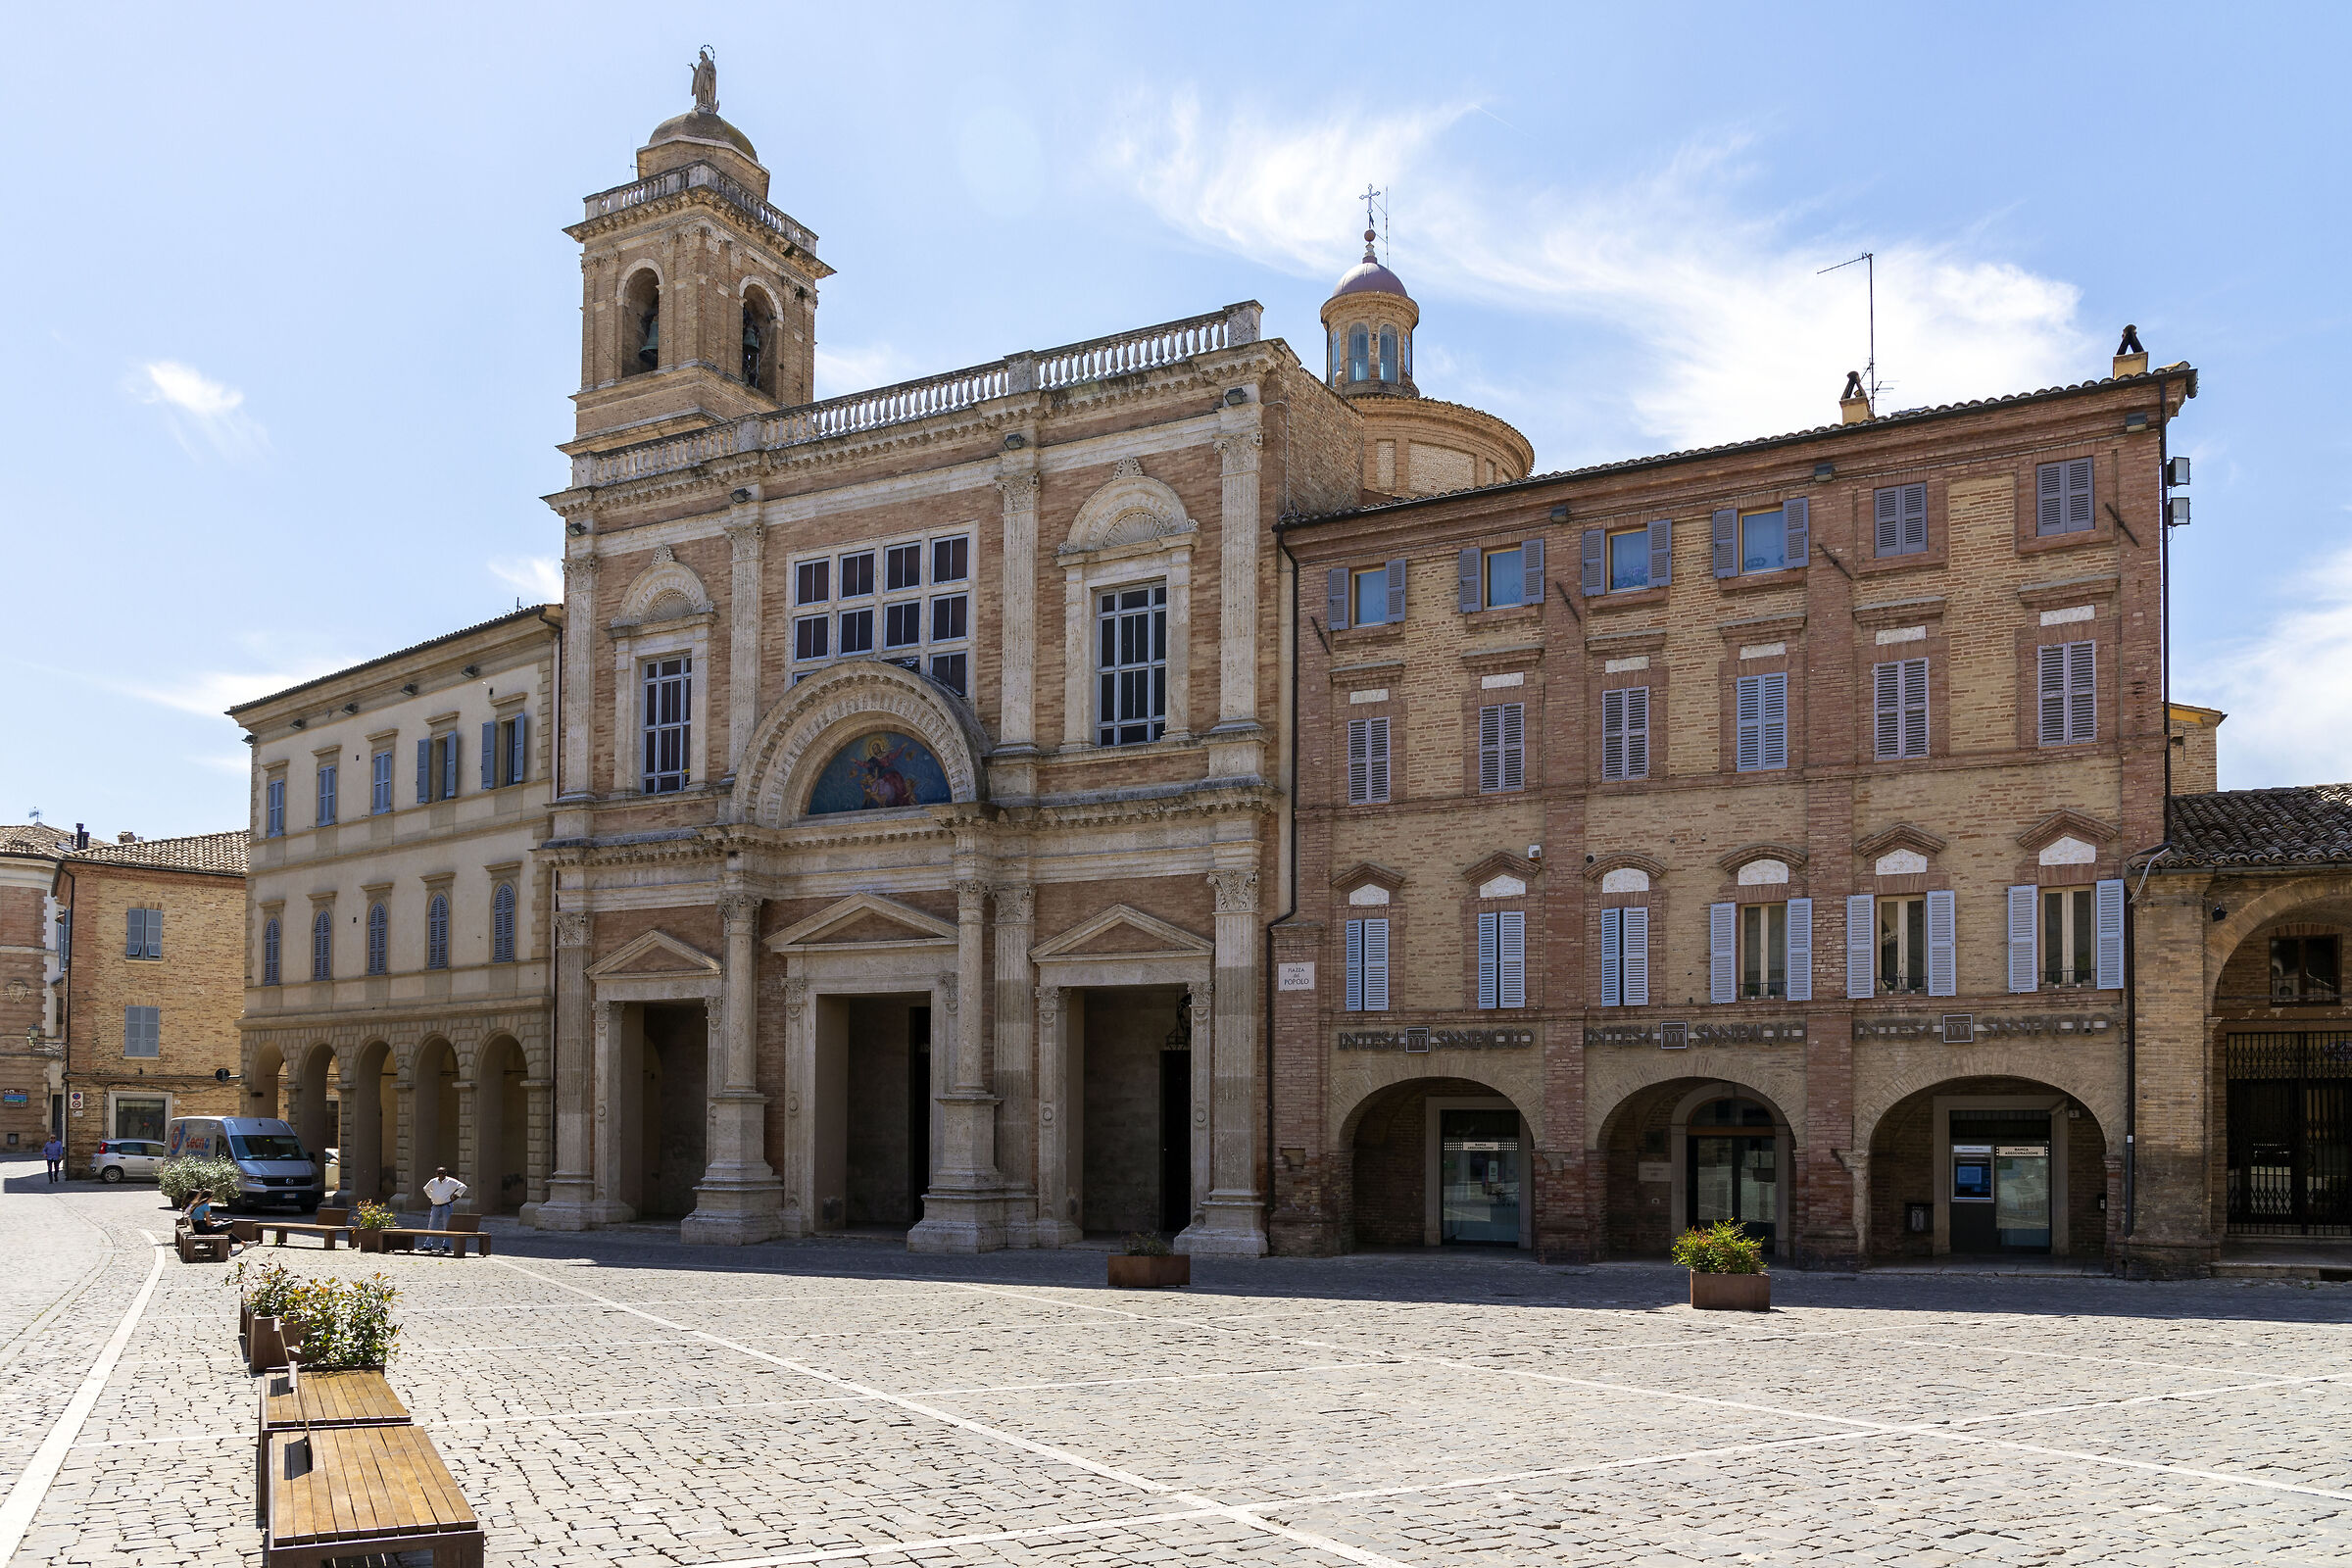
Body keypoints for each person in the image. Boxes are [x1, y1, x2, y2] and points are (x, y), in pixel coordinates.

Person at [420, 1167, 466, 1255]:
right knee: (432, 1225)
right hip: (435, 1206)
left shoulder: (450, 1181)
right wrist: (432, 1196)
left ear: (446, 1173)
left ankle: (446, 1246)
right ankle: (428, 1245)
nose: (441, 1175)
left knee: (447, 1227)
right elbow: (426, 1188)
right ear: (436, 1174)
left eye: (443, 1173)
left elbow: (463, 1187)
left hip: (446, 1205)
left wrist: (456, 1195)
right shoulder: (433, 1181)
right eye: (439, 1173)